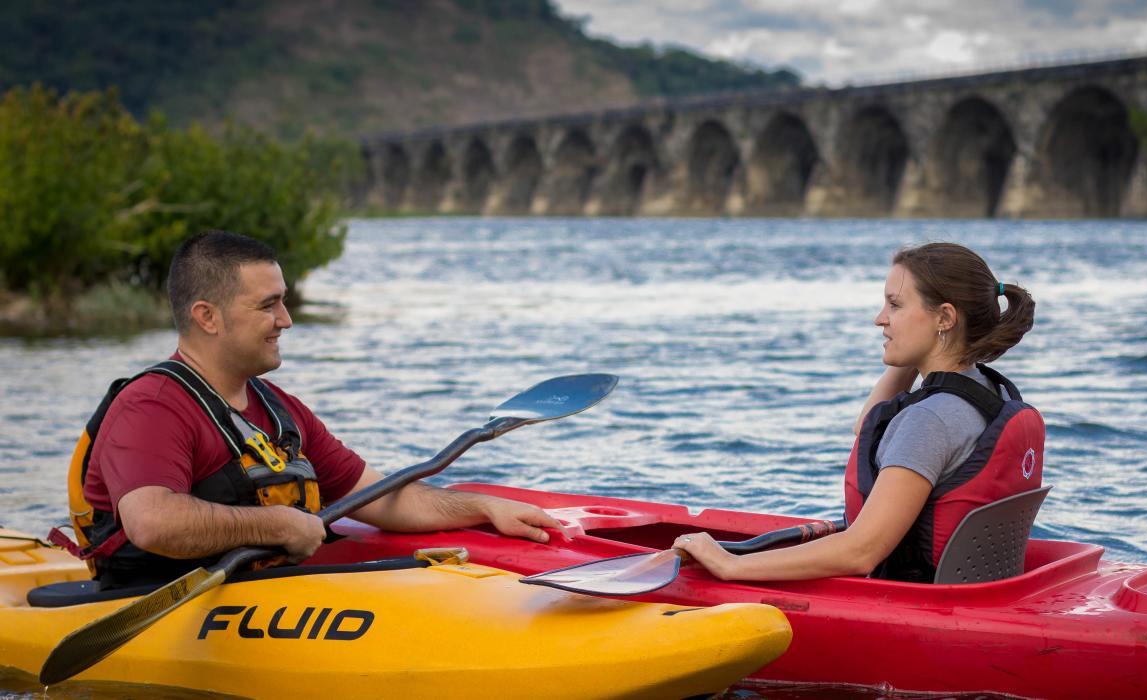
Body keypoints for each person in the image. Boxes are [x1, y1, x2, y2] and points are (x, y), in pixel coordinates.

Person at [58, 230, 565, 589]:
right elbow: (154, 524)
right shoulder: (152, 405)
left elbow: (383, 498)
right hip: (157, 598)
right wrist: (277, 525)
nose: (286, 320)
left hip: (263, 589)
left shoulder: (281, 410)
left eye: (284, 302)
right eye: (268, 305)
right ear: (207, 317)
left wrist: (482, 507)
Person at [672, 242, 1043, 583]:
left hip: (913, 607)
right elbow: (870, 428)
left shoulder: (930, 420)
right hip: (969, 589)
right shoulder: (986, 390)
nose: (879, 319)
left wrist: (730, 565)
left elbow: (862, 552)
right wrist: (915, 353)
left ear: (945, 317)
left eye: (895, 306)